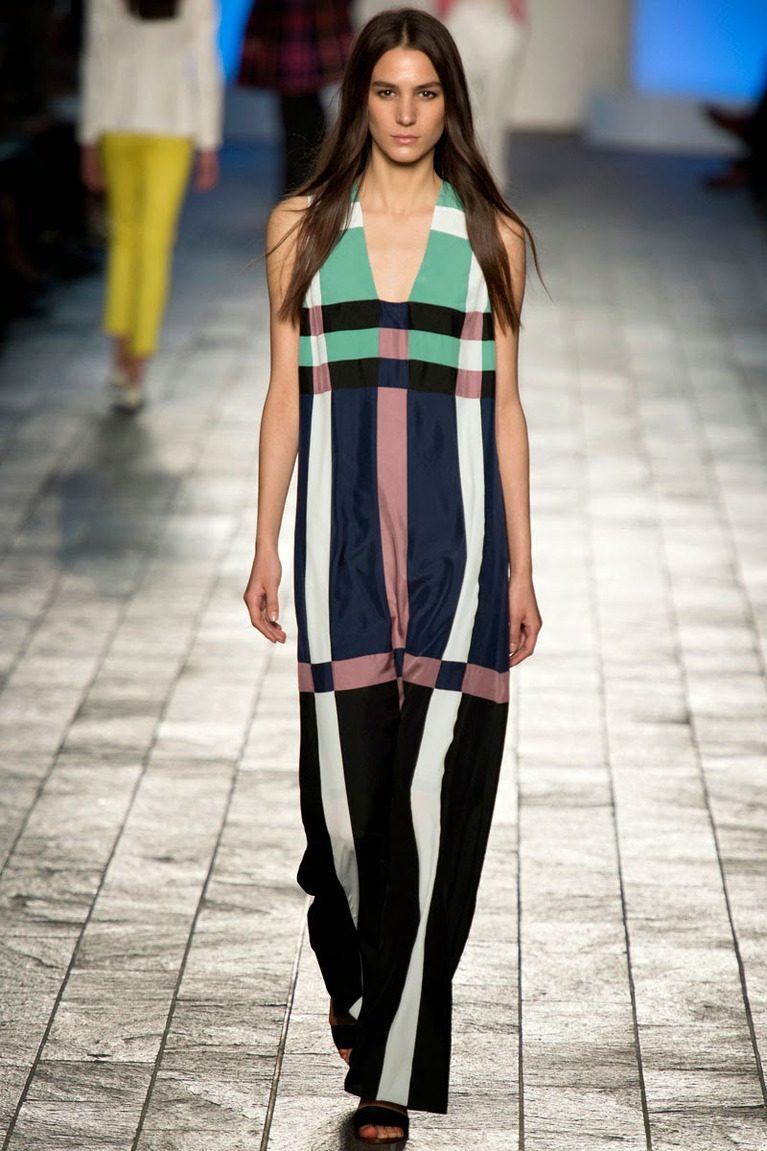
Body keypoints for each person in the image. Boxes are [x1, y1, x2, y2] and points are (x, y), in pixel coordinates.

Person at [243, 7, 542, 1143]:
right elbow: (285, 393)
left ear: (448, 102)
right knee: (339, 810)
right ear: (357, 98)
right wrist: (264, 542)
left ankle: (390, 1070)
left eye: (425, 93)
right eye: (386, 92)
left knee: (432, 806)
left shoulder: (492, 236)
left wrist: (521, 566)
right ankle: (354, 964)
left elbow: (505, 408)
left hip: (462, 554)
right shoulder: (302, 228)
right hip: (342, 552)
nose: (406, 114)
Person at [78, 0, 223, 413]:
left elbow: (97, 60)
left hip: (117, 122)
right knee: (153, 247)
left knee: (124, 244)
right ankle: (137, 368)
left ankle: (121, 357)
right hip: (171, 125)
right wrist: (208, 141)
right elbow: (205, 63)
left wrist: (89, 137)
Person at [237, 0, 353, 195]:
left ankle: (307, 189)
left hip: (305, 18)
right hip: (295, 19)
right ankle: (308, 189)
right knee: (299, 109)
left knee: (300, 109)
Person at [439, 0, 529, 186]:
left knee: (495, 112)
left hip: (498, 15)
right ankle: (465, 179)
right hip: (461, 17)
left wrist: (518, 21)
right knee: (463, 107)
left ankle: (492, 182)